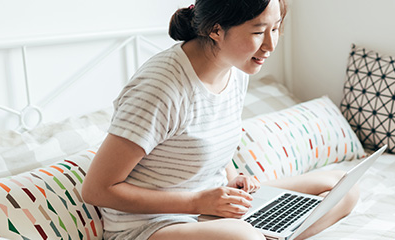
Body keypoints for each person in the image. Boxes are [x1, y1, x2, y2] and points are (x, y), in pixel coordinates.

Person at [81, 1, 358, 240]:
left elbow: (205, 135)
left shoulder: (236, 70)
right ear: (215, 30)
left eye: (275, 29)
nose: (271, 45)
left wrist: (233, 176)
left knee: (345, 187)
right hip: (153, 223)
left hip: (211, 205)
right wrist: (196, 201)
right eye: (259, 32)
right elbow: (96, 190)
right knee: (245, 237)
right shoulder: (161, 89)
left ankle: (270, 231)